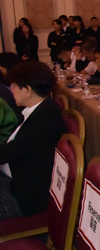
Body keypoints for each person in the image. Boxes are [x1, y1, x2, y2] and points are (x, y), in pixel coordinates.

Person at [0, 61, 66, 220]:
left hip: (24, 196)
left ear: (28, 90)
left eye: (14, 86)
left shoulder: (47, 116)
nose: (11, 91)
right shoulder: (36, 111)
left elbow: (14, 150)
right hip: (15, 182)